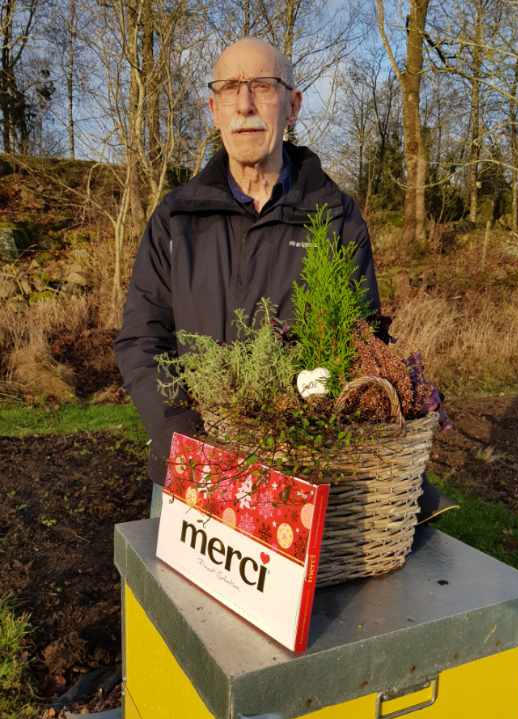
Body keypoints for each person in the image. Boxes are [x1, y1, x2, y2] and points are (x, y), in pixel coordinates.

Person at [115, 37, 385, 518]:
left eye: (262, 85)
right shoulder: (176, 218)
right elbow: (141, 339)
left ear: (293, 105)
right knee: (179, 595)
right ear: (213, 108)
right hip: (190, 470)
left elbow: (361, 339)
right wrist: (187, 436)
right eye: (229, 89)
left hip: (299, 473)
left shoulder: (336, 217)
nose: (245, 104)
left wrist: (308, 432)